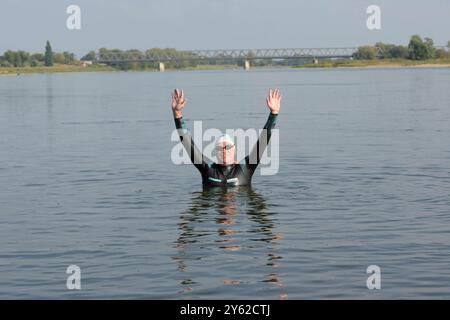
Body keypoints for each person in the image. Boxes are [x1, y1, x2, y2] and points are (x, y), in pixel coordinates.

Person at [171, 88, 281, 187]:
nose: (224, 151)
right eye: (220, 148)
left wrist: (274, 114)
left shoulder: (245, 168)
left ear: (234, 150)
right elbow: (187, 143)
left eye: (227, 147)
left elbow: (262, 143)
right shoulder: (208, 169)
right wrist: (177, 113)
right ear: (214, 152)